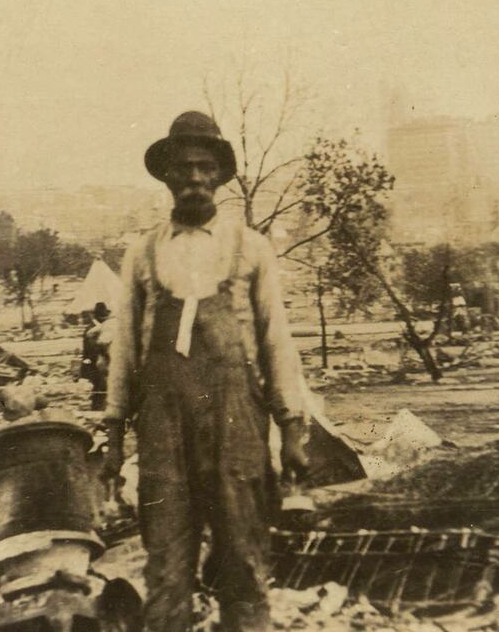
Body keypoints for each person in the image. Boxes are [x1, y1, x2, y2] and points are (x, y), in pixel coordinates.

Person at [102, 111, 308, 632]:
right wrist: (112, 434)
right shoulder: (142, 253)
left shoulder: (250, 248)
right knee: (167, 564)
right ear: (167, 177)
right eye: (183, 168)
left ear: (219, 176)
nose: (193, 178)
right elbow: (125, 347)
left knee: (243, 556)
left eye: (203, 167)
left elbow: (276, 340)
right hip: (162, 432)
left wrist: (292, 430)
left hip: (236, 425)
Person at [80, 302, 113, 410]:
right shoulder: (91, 330)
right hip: (93, 364)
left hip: (101, 363)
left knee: (103, 389)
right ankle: (97, 409)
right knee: (98, 390)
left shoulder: (103, 327)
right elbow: (88, 351)